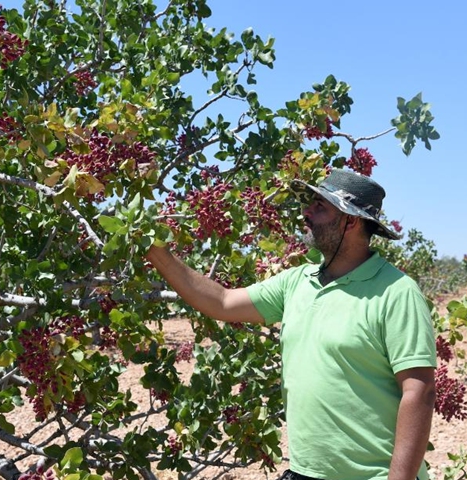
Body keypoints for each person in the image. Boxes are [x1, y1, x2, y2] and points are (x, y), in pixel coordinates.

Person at [146, 169, 437, 480]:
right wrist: (156, 252)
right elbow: (221, 302)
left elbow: (419, 390)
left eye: (320, 207)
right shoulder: (296, 282)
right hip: (305, 472)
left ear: (351, 221)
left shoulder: (396, 291)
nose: (306, 213)